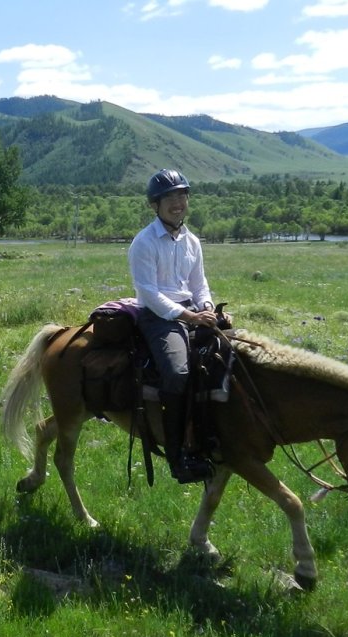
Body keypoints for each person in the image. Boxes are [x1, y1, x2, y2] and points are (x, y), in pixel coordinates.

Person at [128, 168, 218, 484]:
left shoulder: (192, 241)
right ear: (155, 205)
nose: (177, 202)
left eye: (181, 195)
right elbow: (149, 294)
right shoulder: (144, 242)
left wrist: (206, 306)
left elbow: (199, 283)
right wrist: (189, 317)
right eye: (169, 197)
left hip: (192, 311)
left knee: (230, 358)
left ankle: (213, 437)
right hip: (158, 317)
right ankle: (177, 455)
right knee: (179, 373)